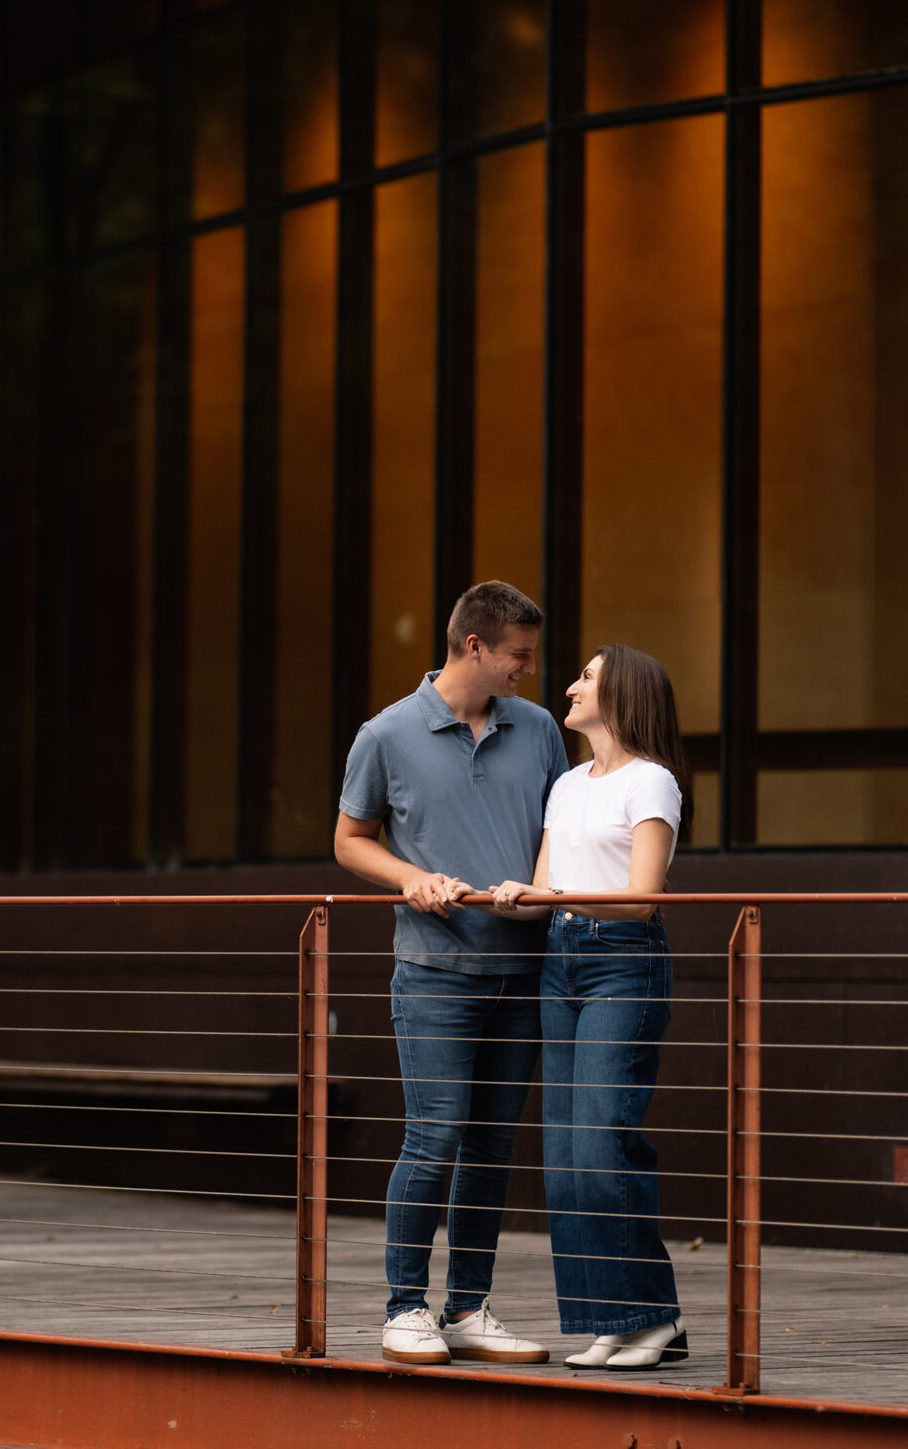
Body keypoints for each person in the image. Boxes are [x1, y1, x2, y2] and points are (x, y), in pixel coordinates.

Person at [334, 580, 571, 1366]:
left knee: (492, 1145)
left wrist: (536, 891)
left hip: (522, 969)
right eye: (519, 656)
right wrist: (408, 877)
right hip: (434, 971)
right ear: (475, 646)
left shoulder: (537, 729)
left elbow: (555, 833)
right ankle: (405, 1308)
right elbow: (349, 840)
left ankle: (468, 1306)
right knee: (434, 1138)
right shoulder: (385, 733)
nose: (529, 671)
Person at [493, 644, 690, 1370]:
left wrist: (549, 896)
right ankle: (620, 1316)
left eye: (586, 678)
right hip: (561, 961)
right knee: (569, 1156)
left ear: (623, 695)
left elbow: (641, 897)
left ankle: (646, 1317)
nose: (569, 687)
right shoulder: (568, 785)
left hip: (622, 962)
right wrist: (510, 894)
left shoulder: (654, 782)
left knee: (605, 1142)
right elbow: (547, 887)